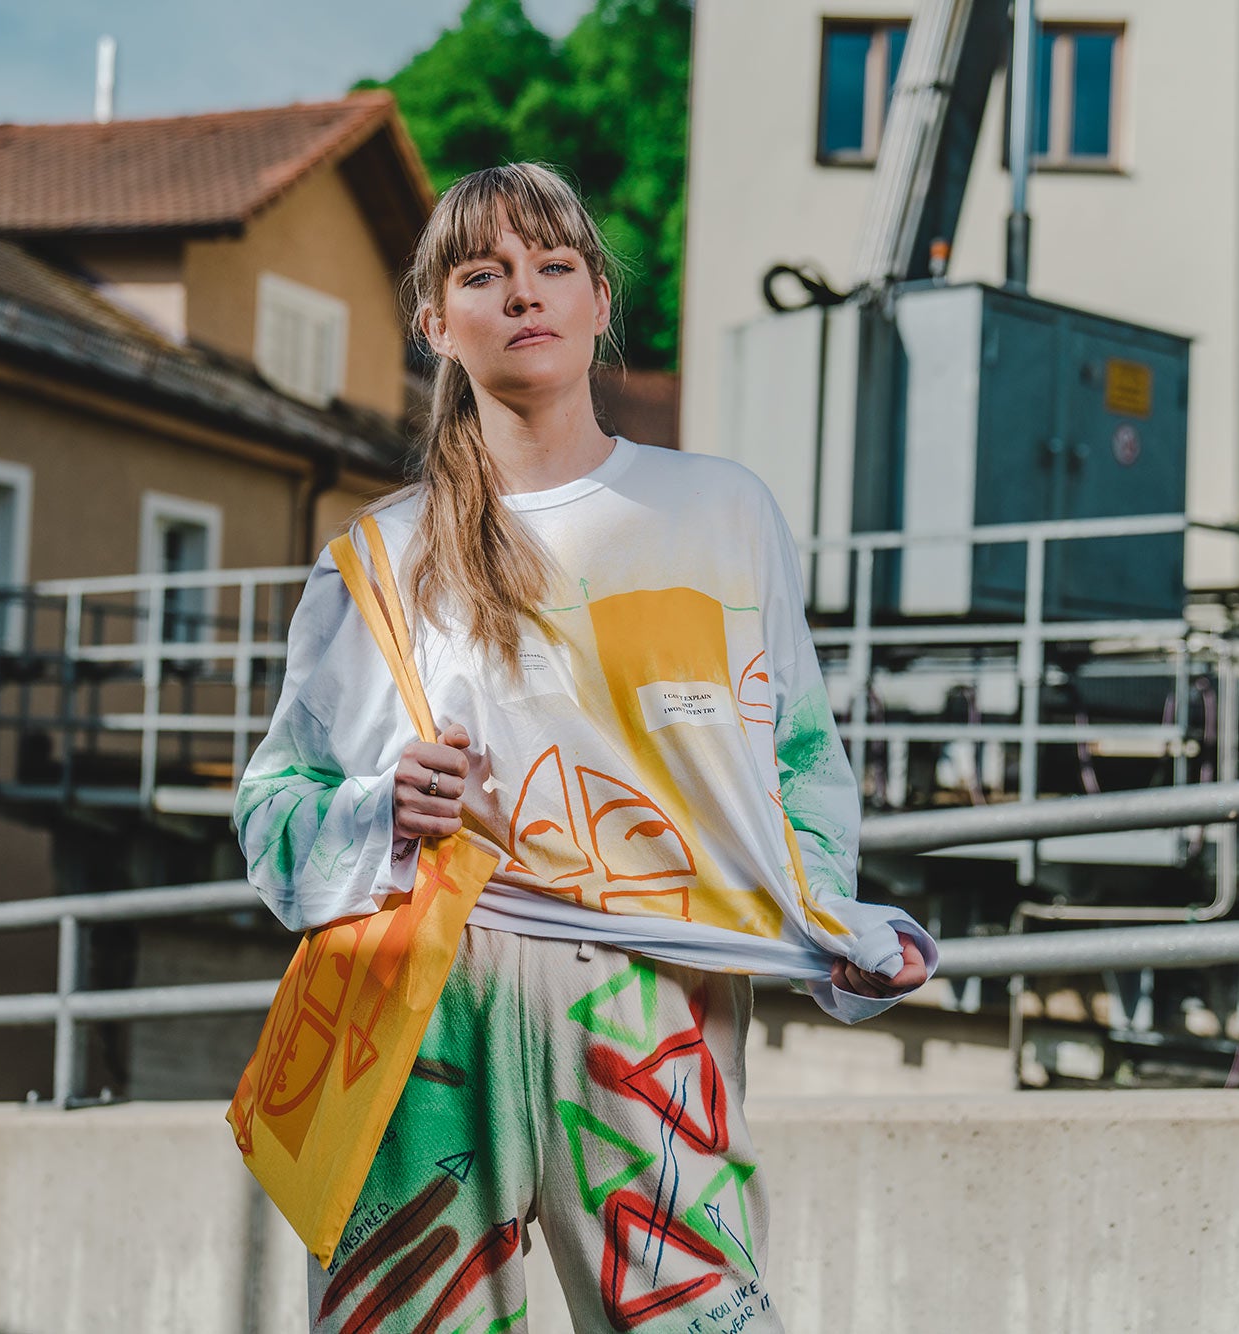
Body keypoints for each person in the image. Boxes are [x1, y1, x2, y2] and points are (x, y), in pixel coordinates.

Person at [235, 162, 936, 1334]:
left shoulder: (718, 510)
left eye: (555, 266)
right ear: (434, 323)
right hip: (427, 989)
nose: (525, 294)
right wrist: (379, 805)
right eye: (484, 273)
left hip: (651, 990)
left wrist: (835, 926)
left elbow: (793, 761)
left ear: (599, 302)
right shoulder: (380, 554)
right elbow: (273, 808)